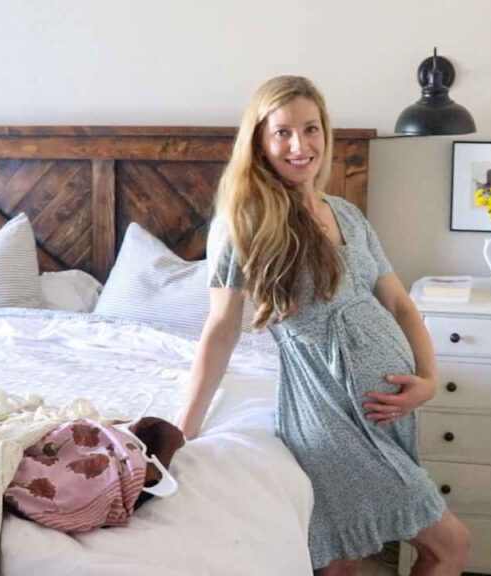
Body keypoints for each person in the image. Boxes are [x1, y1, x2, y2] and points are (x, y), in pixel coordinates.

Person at [176, 76, 470, 576]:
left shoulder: (347, 215)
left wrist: (428, 380)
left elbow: (399, 303)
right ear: (260, 143)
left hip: (390, 413)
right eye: (283, 132)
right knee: (449, 545)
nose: (299, 145)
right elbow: (221, 329)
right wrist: (183, 429)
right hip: (328, 413)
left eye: (310, 129)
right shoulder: (246, 221)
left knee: (343, 563)